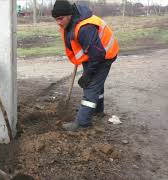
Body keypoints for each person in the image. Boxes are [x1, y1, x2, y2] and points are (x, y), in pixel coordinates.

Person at [51, 0, 119, 131]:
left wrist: (87, 75)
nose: (58, 22)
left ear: (70, 15)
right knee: (96, 84)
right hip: (93, 54)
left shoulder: (85, 28)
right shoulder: (71, 22)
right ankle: (97, 110)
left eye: (60, 19)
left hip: (103, 56)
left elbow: (97, 54)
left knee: (90, 85)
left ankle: (83, 123)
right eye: (56, 19)